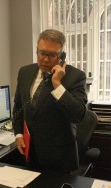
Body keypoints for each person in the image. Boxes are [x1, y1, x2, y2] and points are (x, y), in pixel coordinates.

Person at [12, 29, 88, 174]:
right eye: (42, 53)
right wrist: (19, 134)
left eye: (52, 55)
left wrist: (57, 84)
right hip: (30, 154)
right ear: (37, 51)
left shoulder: (76, 76)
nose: (45, 59)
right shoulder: (25, 72)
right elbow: (18, 106)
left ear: (62, 55)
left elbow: (78, 115)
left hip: (59, 159)